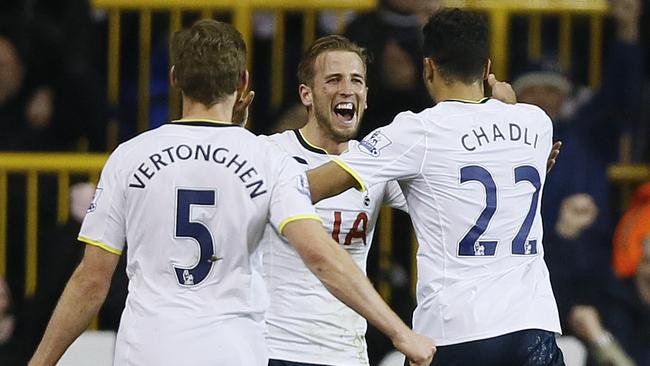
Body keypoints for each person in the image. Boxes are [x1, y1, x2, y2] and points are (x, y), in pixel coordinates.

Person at [28, 20, 435, 366]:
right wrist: (401, 333)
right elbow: (319, 253)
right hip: (232, 350)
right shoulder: (265, 157)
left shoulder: (128, 157)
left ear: (174, 78)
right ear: (243, 82)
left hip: (147, 349)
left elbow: (90, 282)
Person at [306, 9, 565, 365]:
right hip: (531, 328)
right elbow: (505, 140)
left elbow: (312, 187)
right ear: (486, 67)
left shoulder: (418, 132)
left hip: (456, 332)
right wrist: (509, 103)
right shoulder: (536, 122)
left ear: (428, 68)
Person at [261, 34, 519, 366]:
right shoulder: (270, 154)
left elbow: (463, 200)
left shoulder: (373, 163)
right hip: (277, 349)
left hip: (347, 354)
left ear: (366, 97)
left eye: (356, 80)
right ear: (306, 94)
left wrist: (507, 129)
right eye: (333, 80)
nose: (347, 89)